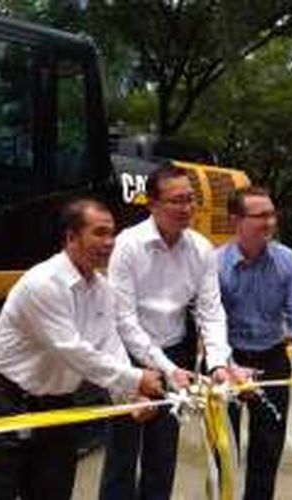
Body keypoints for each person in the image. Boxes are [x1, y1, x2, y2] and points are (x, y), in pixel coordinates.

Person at [0, 198, 164, 500]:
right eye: (99, 233)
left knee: (54, 488)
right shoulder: (43, 283)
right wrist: (135, 379)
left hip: (56, 402)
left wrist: (131, 397)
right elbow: (72, 350)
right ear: (71, 237)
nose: (109, 242)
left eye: (112, 233)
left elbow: (108, 345)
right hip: (6, 398)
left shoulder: (102, 288)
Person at [99, 162, 236, 500]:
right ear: (153, 204)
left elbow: (211, 312)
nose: (186, 208)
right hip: (128, 356)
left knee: (163, 453)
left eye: (190, 199)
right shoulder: (128, 245)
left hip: (175, 351)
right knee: (122, 452)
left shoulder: (201, 249)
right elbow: (124, 320)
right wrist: (166, 369)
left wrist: (218, 362)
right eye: (177, 200)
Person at [216, 186, 292, 500]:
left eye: (272, 214)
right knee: (224, 449)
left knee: (267, 449)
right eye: (260, 216)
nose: (269, 222)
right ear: (236, 220)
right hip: (228, 362)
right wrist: (228, 367)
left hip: (272, 360)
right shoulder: (215, 265)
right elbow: (209, 325)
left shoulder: (287, 260)